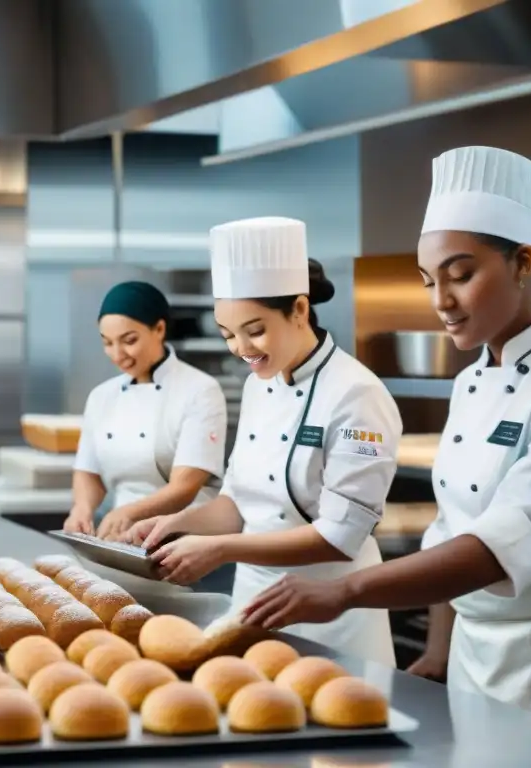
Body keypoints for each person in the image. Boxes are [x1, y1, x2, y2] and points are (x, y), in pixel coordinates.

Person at [240, 147, 531, 750]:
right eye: (429, 280)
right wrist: (439, 649)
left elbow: (497, 547)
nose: (440, 299)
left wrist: (345, 590)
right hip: (473, 655)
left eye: (460, 274)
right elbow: (454, 525)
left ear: (522, 262)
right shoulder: (469, 381)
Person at [125, 216, 400, 667]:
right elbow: (238, 503)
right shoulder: (258, 384)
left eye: (254, 330)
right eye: (228, 334)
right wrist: (177, 524)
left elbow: (340, 536)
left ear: (298, 309)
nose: (240, 348)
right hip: (252, 607)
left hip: (331, 618)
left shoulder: (357, 394)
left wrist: (219, 550)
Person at [62, 281, 228, 541]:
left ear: (159, 329)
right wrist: (82, 508)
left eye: (129, 341)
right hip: (122, 537)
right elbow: (88, 470)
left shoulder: (200, 390)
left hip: (185, 536)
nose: (117, 355)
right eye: (107, 343)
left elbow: (185, 487)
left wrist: (129, 512)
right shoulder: (102, 396)